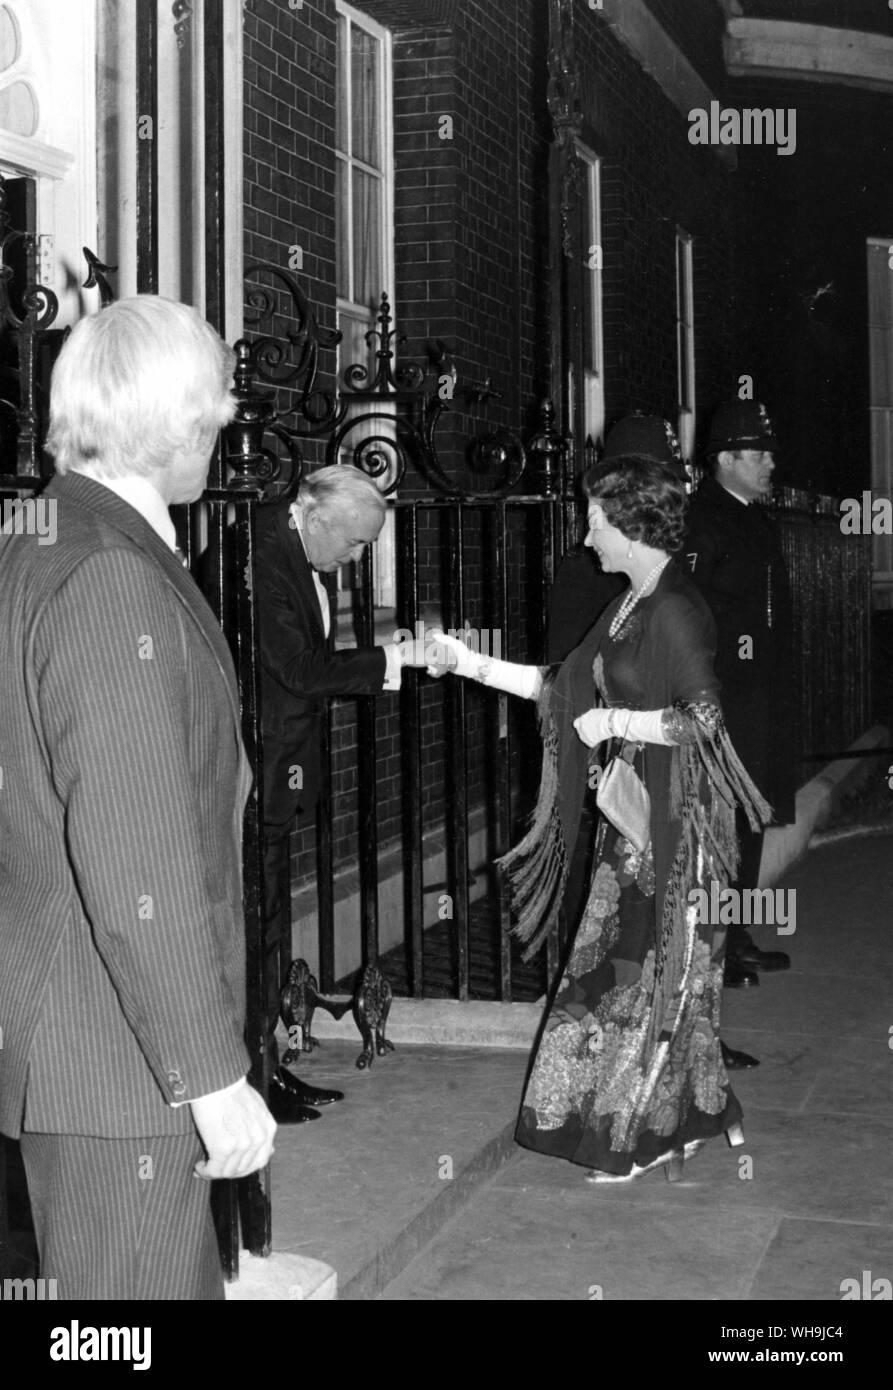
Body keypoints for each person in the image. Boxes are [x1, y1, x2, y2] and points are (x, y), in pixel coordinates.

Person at [0, 296, 276, 1299]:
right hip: (118, 1060)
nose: (225, 420)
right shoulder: (111, 576)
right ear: (175, 419)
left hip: (70, 1030)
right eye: (213, 404)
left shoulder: (33, 538)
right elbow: (135, 853)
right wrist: (209, 1072)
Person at [431, 455, 770, 1182]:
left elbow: (704, 722)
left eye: (594, 522)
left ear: (631, 525)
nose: (585, 537)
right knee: (620, 977)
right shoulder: (626, 605)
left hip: (680, 831)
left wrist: (617, 719)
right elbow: (561, 690)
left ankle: (638, 1134)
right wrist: (465, 662)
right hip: (640, 818)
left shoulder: (672, 609)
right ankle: (690, 1115)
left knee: (651, 979)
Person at [255, 465, 429, 1120]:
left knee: (269, 927)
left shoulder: (301, 549)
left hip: (281, 768)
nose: (357, 559)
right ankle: (251, 1079)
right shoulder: (260, 557)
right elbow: (298, 669)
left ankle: (267, 1067)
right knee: (254, 929)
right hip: (254, 770)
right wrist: (396, 658)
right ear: (315, 514)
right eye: (355, 544)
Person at [684, 401, 796, 992]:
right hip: (726, 697)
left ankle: (738, 933)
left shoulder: (753, 516)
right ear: (724, 459)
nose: (769, 462)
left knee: (751, 818)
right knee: (724, 822)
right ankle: (715, 948)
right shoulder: (703, 519)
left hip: (760, 694)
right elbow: (691, 613)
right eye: (758, 454)